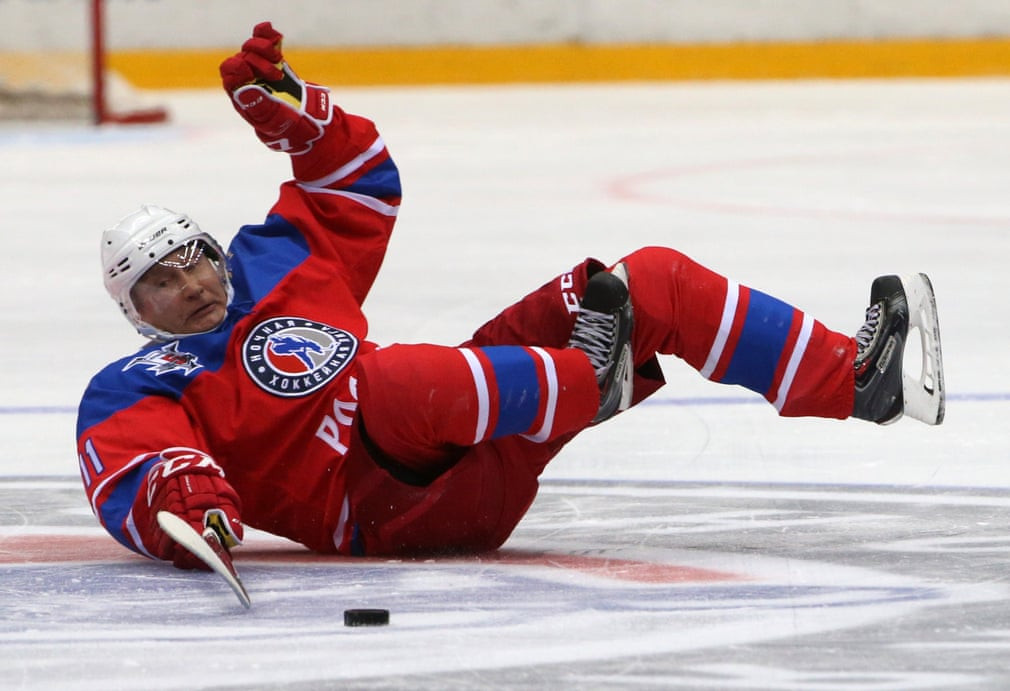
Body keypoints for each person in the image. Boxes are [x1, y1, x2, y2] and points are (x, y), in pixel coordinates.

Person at [75, 23, 945, 570]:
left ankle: (855, 382)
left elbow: (361, 185)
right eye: (158, 282)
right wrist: (187, 507)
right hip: (385, 508)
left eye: (191, 259)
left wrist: (300, 122)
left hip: (462, 432)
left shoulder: (276, 264)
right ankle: (586, 379)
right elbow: (139, 472)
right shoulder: (140, 381)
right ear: (134, 312)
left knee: (645, 281)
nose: (188, 283)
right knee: (390, 382)